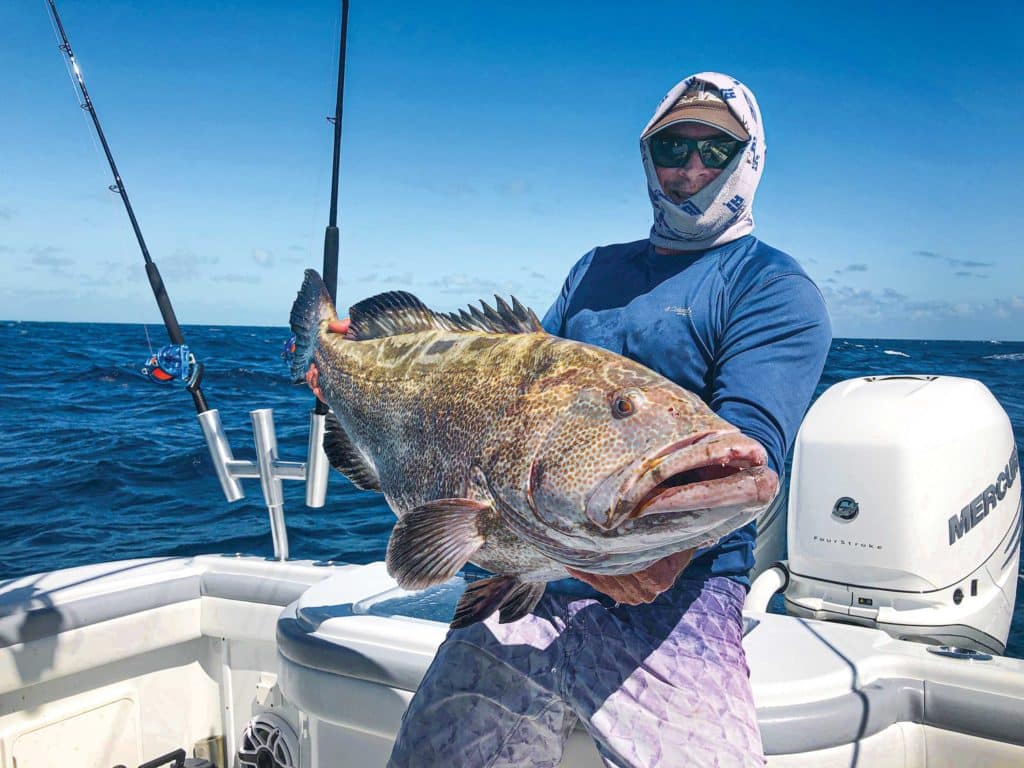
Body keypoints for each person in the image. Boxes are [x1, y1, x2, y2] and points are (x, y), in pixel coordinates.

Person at [386, 72, 831, 767]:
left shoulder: (771, 288)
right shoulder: (594, 269)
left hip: (682, 594)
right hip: (525, 578)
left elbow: (749, 461)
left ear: (751, 158)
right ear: (647, 157)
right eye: (672, 147)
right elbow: (521, 400)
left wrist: (654, 559)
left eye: (716, 150)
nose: (690, 168)